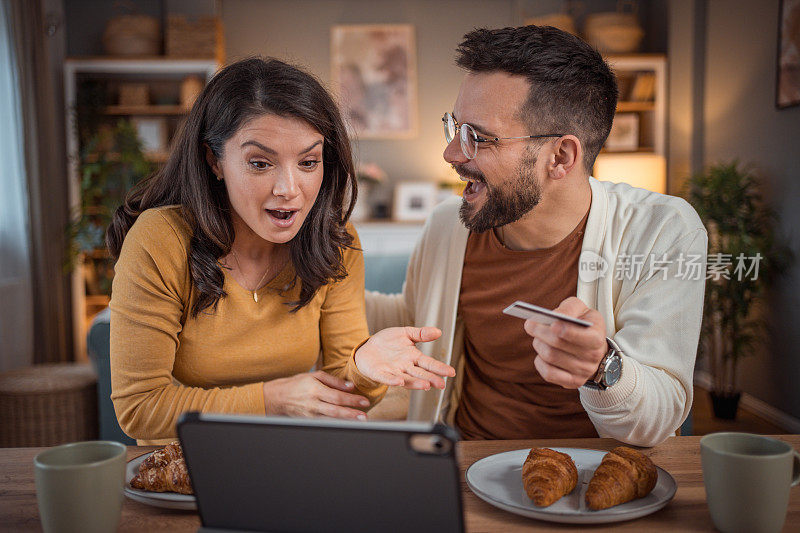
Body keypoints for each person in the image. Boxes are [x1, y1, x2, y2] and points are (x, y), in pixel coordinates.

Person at [366, 26, 707, 447]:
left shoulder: (662, 231)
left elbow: (659, 416)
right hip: (467, 461)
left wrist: (602, 367)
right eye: (454, 127)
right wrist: (303, 280)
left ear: (561, 157)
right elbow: (414, 315)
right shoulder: (448, 226)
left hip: (599, 475)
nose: (451, 153)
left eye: (478, 137)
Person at [107, 57, 454, 445]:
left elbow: (344, 395)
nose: (289, 189)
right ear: (214, 161)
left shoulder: (334, 241)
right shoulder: (160, 239)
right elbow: (139, 409)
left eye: (308, 162)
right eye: (260, 163)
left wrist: (364, 368)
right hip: (186, 469)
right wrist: (272, 401)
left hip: (290, 455)